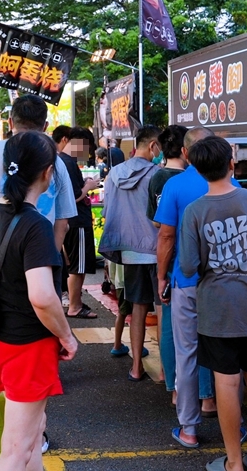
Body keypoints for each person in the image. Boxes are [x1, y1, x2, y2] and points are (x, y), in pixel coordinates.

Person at [0, 130, 78, 471]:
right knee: (15, 449)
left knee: (32, 437)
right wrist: (66, 334)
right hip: (27, 347)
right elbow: (43, 297)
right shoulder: (36, 226)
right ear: (48, 172)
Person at [180, 135, 247, 471]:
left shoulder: (194, 211)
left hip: (217, 312)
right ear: (232, 163)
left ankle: (233, 462)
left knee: (226, 382)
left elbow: (187, 267)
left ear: (197, 170)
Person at [155, 126, 228, 448]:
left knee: (187, 354)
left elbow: (166, 236)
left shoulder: (175, 185)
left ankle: (189, 429)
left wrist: (161, 276)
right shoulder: (232, 185)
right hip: (226, 283)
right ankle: (229, 425)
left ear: (185, 153)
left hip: (186, 281)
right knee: (226, 355)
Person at [0, 95, 76, 257]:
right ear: (45, 126)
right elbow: (62, 223)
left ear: (10, 122)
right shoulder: (56, 161)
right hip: (39, 252)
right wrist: (52, 260)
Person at [98, 126, 161, 382]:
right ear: (154, 145)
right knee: (163, 310)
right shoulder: (158, 174)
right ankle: (168, 371)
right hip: (158, 251)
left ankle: (136, 367)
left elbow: (107, 212)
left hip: (130, 252)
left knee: (137, 309)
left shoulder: (114, 173)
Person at [147, 125, 188, 396]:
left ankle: (169, 379)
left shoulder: (158, 178)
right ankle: (204, 395)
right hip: (194, 261)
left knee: (168, 322)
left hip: (166, 258)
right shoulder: (198, 178)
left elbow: (157, 223)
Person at [62, 127, 100, 319]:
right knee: (78, 266)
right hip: (78, 221)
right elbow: (74, 196)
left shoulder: (64, 161)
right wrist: (89, 186)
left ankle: (74, 302)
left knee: (76, 265)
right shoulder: (68, 163)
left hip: (72, 221)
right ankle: (75, 306)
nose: (88, 153)